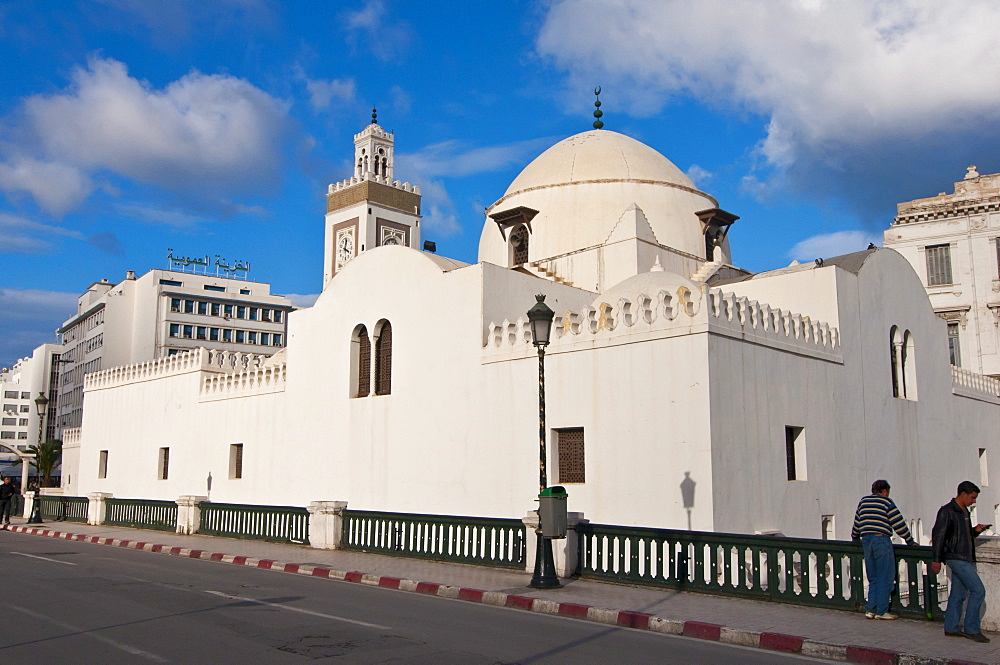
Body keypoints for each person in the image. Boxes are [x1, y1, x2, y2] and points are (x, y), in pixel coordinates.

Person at [931, 481, 992, 643]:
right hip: (956, 557)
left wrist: (976, 531)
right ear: (963, 494)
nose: (974, 501)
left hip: (963, 556)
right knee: (978, 591)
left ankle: (951, 627)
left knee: (958, 593)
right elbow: (938, 536)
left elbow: (961, 535)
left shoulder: (963, 511)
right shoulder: (947, 511)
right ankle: (972, 629)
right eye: (972, 497)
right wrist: (936, 560)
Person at [851, 479, 917, 620]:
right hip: (881, 539)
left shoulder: (863, 501)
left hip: (866, 541)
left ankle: (870, 609)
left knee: (873, 577)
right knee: (884, 576)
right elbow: (898, 523)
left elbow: (857, 521)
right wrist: (909, 540)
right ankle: (882, 611)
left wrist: (855, 537)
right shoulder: (886, 502)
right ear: (884, 491)